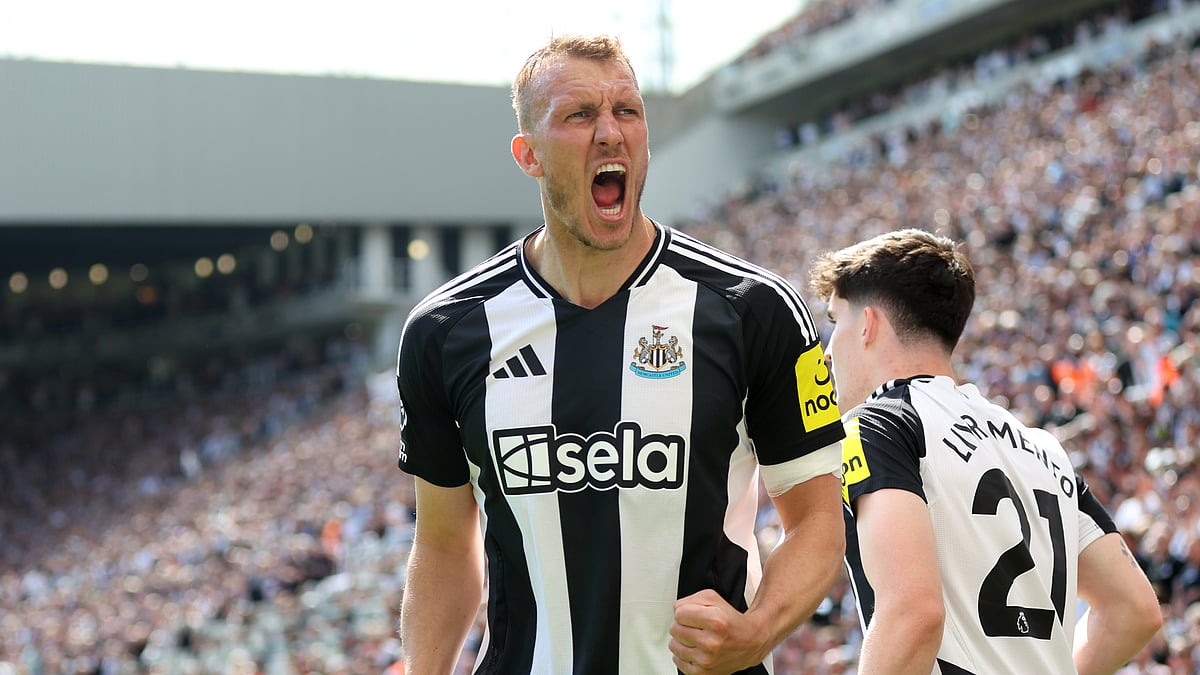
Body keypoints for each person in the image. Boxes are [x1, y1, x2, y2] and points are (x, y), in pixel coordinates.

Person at [395, 34, 847, 674]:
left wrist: (759, 630)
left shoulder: (754, 309)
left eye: (627, 112)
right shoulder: (447, 330)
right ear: (529, 155)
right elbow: (442, 545)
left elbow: (818, 524)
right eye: (580, 115)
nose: (610, 133)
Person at [808, 228, 1163, 674]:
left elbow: (912, 614)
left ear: (867, 324)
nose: (827, 351)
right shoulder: (1040, 445)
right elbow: (1133, 609)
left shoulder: (877, 424)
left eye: (834, 321)